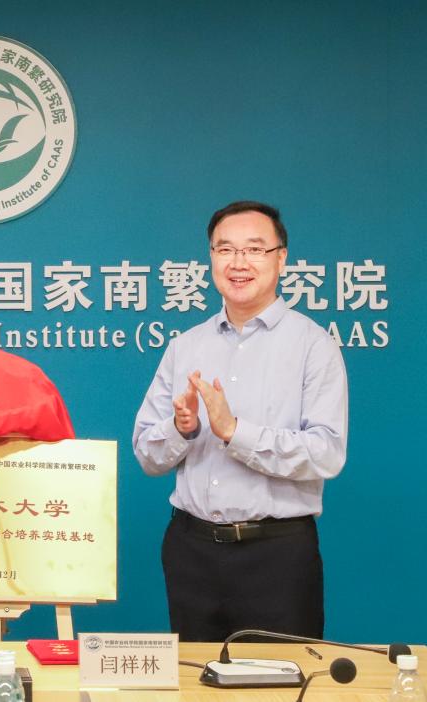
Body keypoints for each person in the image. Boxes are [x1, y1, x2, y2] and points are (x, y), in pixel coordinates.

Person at [132, 201, 347, 641]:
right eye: (225, 249)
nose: (238, 262)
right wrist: (183, 429)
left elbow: (326, 454)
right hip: (191, 550)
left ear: (281, 259)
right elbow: (147, 455)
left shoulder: (313, 344)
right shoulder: (185, 346)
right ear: (211, 257)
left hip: (276, 555)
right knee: (194, 676)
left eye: (254, 249)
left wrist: (234, 431)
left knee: (280, 676)